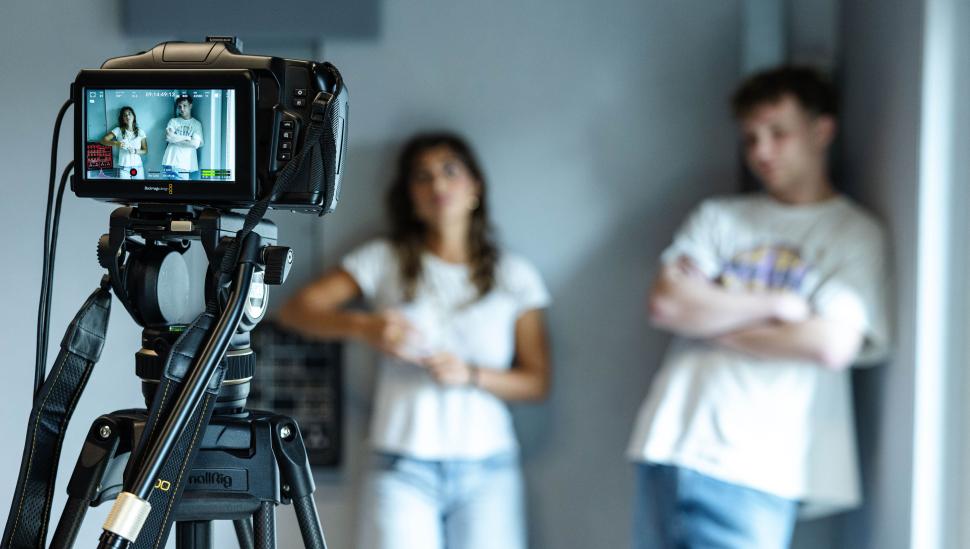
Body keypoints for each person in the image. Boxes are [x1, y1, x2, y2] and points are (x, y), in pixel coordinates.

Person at [627, 66, 890, 549]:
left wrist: (711, 319)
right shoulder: (718, 217)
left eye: (778, 133)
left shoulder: (852, 234)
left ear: (822, 131)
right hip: (670, 444)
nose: (761, 152)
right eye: (750, 138)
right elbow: (667, 304)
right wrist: (778, 304)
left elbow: (831, 344)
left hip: (757, 464)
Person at [279, 132, 552, 549]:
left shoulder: (514, 275)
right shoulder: (382, 259)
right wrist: (366, 328)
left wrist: (470, 375)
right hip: (401, 464)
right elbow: (297, 311)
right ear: (410, 196)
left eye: (449, 171)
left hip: (489, 468)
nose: (437, 184)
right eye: (422, 176)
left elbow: (536, 382)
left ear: (475, 187)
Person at [161, 94, 204, 179]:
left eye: (184, 106)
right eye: (179, 106)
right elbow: (168, 137)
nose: (182, 109)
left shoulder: (196, 124)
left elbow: (195, 144)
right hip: (169, 161)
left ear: (190, 106)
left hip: (184, 164)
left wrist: (174, 139)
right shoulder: (173, 121)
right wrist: (187, 138)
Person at [100, 106, 148, 179]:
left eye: (129, 114)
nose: (127, 116)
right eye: (125, 115)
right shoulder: (118, 130)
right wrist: (116, 143)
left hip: (138, 167)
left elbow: (145, 150)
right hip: (123, 168)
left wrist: (135, 151)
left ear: (133, 116)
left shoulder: (140, 132)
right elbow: (103, 140)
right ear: (122, 118)